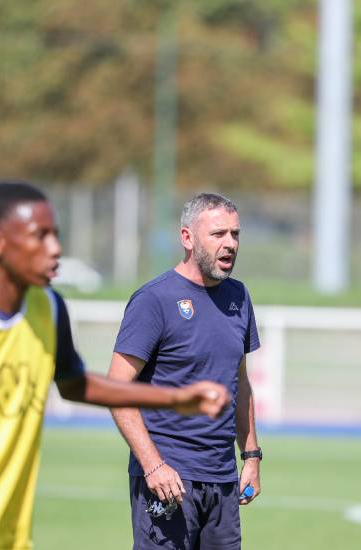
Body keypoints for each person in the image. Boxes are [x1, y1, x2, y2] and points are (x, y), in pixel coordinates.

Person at [0, 181, 229, 550]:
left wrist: (176, 399)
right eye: (39, 236)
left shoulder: (48, 310)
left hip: (8, 539)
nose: (55, 249)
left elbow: (76, 385)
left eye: (55, 235)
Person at [108, 192, 262, 550]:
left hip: (222, 480)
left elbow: (240, 383)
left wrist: (251, 456)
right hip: (169, 479)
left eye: (235, 234)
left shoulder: (239, 297)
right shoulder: (154, 300)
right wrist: (153, 465)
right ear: (188, 238)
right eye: (218, 234)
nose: (230, 244)